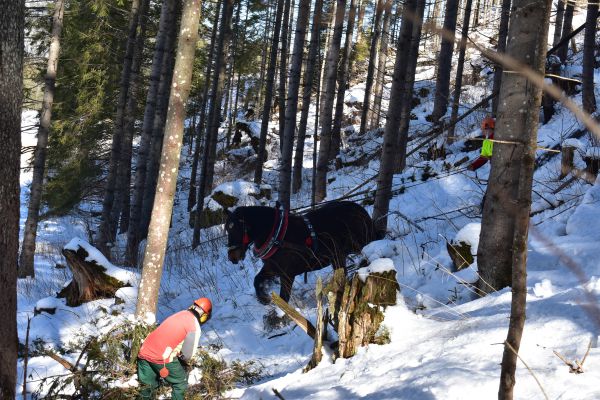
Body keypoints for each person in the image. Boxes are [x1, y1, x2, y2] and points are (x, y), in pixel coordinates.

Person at [137, 297, 212, 400]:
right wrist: (181, 360)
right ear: (204, 316)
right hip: (161, 357)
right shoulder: (194, 325)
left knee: (147, 388)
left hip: (144, 351)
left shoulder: (181, 313)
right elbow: (187, 354)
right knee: (180, 382)